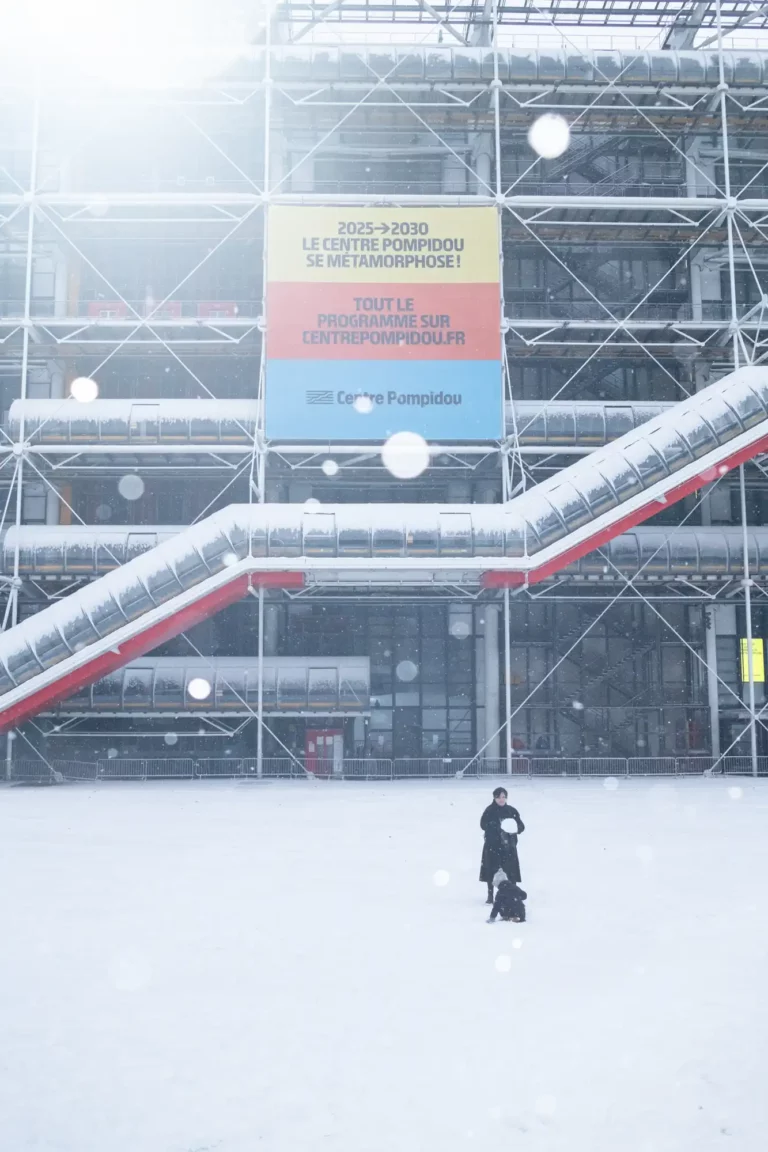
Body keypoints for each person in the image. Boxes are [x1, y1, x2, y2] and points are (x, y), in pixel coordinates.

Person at [479, 785, 525, 904]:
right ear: (494, 798)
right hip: (492, 847)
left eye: (503, 797)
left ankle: (513, 894)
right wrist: (494, 826)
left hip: (508, 847)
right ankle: (490, 896)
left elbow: (521, 826)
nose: (501, 799)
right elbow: (483, 825)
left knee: (511, 871)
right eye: (499, 797)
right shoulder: (489, 811)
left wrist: (514, 828)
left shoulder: (511, 811)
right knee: (491, 871)